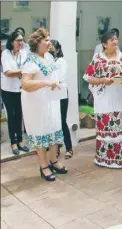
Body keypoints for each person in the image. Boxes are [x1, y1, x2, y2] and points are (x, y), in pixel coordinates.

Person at [83, 31, 122, 169]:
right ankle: (106, 159)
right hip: (104, 100)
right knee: (107, 130)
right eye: (111, 40)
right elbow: (89, 78)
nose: (115, 42)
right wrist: (103, 80)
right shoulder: (98, 59)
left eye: (116, 39)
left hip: (120, 99)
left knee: (121, 130)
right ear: (104, 44)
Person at [21, 28, 67, 182]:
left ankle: (53, 160)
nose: (49, 43)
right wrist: (45, 83)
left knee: (53, 129)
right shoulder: (31, 60)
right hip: (36, 104)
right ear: (37, 42)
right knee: (41, 132)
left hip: (50, 101)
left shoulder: (48, 57)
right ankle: (44, 165)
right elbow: (25, 84)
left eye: (49, 39)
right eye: (46, 40)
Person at [1, 31, 29, 155]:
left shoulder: (24, 53)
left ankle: (20, 141)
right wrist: (22, 71)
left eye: (22, 40)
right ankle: (13, 142)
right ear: (12, 42)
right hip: (7, 90)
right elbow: (8, 73)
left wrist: (18, 72)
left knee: (19, 115)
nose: (20, 43)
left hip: (20, 89)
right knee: (11, 117)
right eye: (18, 40)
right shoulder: (5, 54)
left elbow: (28, 69)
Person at [50, 39, 73, 159]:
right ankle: (57, 148)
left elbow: (60, 77)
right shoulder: (47, 61)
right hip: (51, 93)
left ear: (58, 49)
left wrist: (50, 82)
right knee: (54, 122)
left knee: (62, 121)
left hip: (61, 93)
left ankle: (69, 148)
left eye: (52, 48)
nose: (50, 50)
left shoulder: (61, 61)